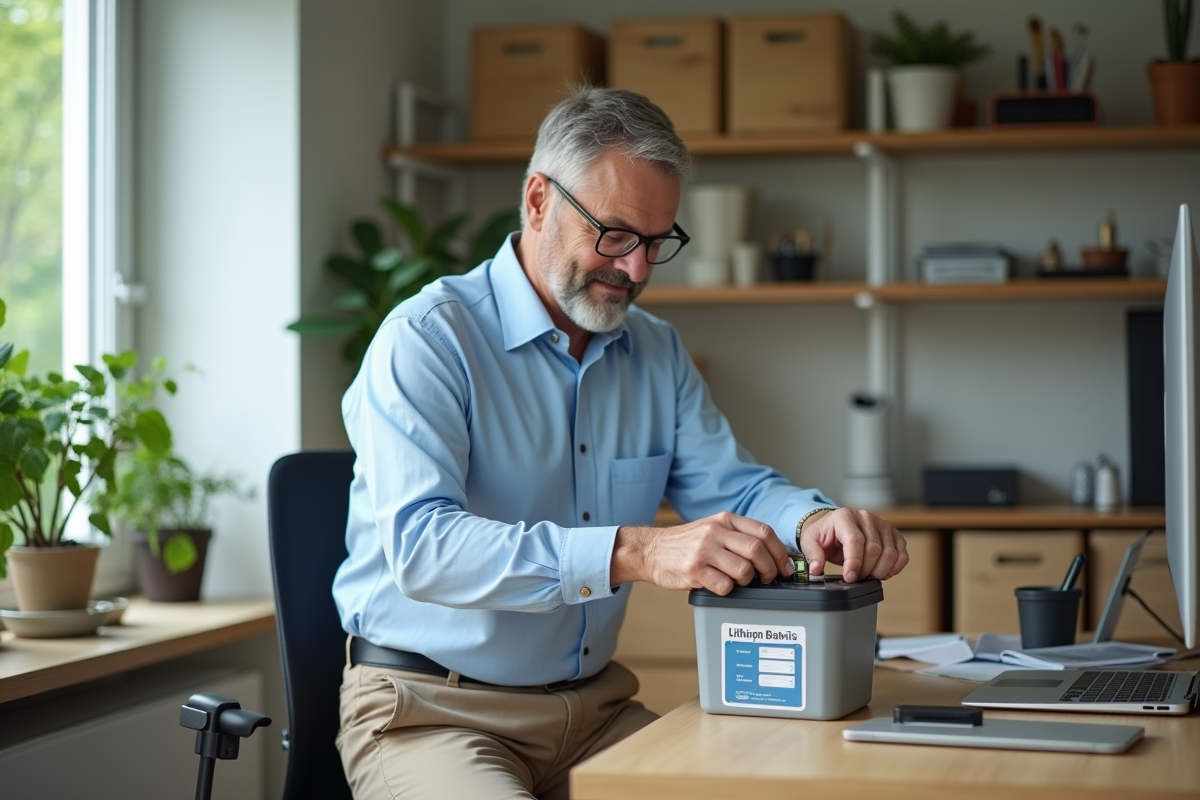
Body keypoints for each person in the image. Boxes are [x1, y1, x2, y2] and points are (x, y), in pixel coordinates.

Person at [333, 86, 909, 800]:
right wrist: (637, 551)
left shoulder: (655, 352)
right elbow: (426, 550)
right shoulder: (427, 340)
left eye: (656, 242)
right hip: (433, 712)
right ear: (539, 201)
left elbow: (734, 488)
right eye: (614, 235)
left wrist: (814, 520)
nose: (636, 270)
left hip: (596, 711)